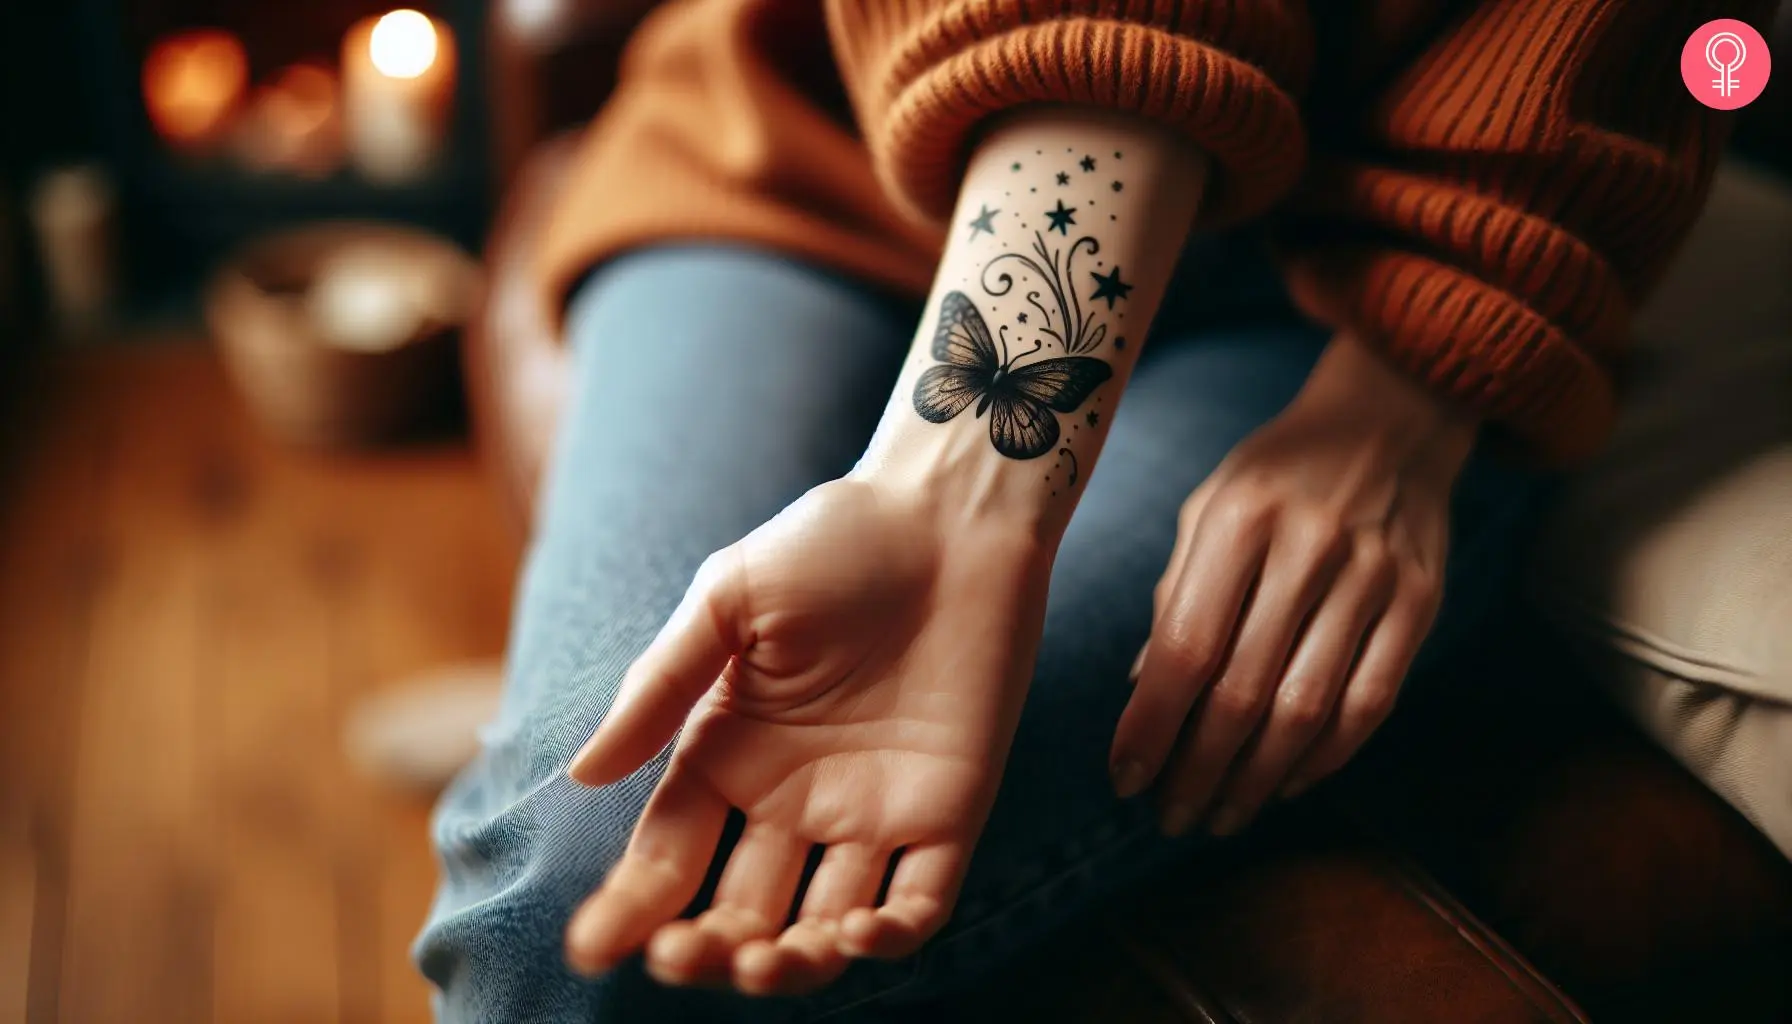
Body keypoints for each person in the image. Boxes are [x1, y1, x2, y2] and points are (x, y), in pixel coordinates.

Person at [416, 1, 1772, 1020]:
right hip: (800, 154)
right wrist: (959, 484)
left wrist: (1417, 381)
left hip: (1331, 297)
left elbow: (1682, 41)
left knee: (616, 905)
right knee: (573, 849)